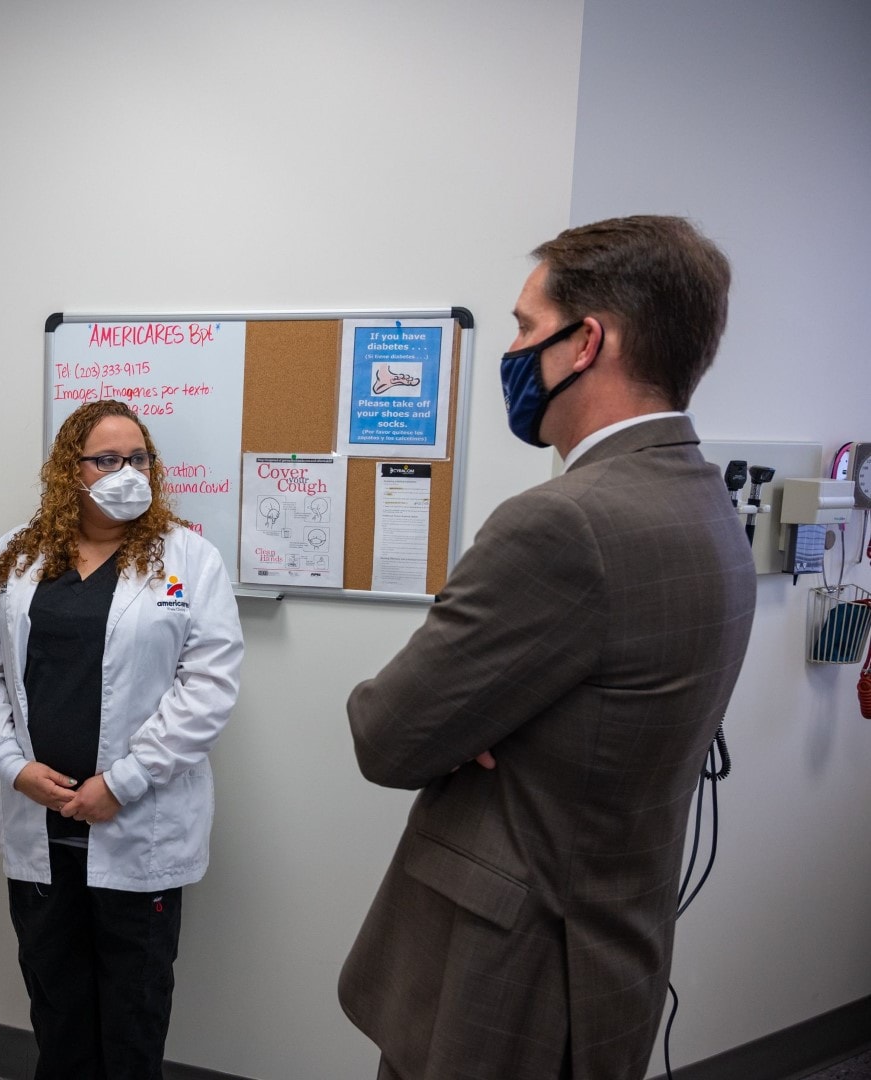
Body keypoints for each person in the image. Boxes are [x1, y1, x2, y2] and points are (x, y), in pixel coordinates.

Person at [337, 216, 758, 1080]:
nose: (517, 349)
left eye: (527, 328)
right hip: (610, 956)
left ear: (585, 342)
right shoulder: (705, 502)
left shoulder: (563, 521)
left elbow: (387, 735)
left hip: (507, 984)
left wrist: (477, 723)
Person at [0, 399, 243, 1079]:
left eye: (138, 457)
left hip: (137, 819)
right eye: (107, 459)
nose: (127, 472)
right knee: (57, 1006)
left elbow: (208, 687)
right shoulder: (16, 556)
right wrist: (9, 762)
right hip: (41, 818)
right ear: (69, 472)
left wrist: (123, 782)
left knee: (133, 1009)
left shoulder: (189, 559)